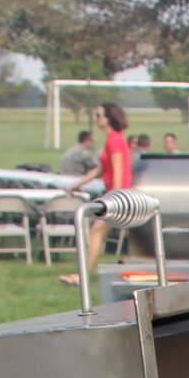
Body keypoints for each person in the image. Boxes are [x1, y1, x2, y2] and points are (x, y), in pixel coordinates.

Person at [70, 102, 132, 263]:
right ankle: (84, 272)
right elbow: (100, 169)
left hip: (116, 195)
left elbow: (118, 171)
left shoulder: (114, 139)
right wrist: (76, 185)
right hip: (113, 194)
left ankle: (84, 274)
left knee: (96, 231)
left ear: (108, 118)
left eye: (99, 115)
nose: (96, 119)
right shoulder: (113, 139)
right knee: (96, 231)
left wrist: (114, 198)